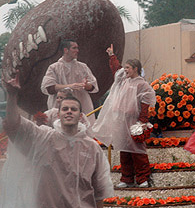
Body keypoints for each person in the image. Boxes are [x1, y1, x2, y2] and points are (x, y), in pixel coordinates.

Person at [1, 74, 113, 208]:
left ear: (81, 116)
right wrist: (12, 96)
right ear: (58, 114)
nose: (69, 112)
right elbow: (15, 126)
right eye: (65, 109)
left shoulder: (92, 148)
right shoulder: (44, 137)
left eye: (74, 109)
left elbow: (99, 191)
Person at [92, 44, 156, 188]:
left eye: (128, 68)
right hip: (121, 121)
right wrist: (111, 55)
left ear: (135, 69)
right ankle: (126, 178)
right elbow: (117, 69)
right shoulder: (124, 80)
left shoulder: (142, 85)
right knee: (124, 149)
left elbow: (145, 105)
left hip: (134, 122)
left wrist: (142, 123)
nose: (125, 70)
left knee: (138, 150)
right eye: (125, 67)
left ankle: (142, 179)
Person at [41, 39, 99, 123]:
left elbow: (93, 86)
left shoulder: (83, 67)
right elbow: (48, 87)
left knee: (84, 130)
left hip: (82, 106)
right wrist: (69, 86)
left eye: (77, 48)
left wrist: (86, 85)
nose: (77, 51)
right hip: (60, 108)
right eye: (74, 48)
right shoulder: (54, 67)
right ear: (66, 50)